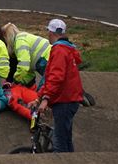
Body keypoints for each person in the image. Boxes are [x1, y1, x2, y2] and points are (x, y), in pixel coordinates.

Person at [32, 19, 83, 153]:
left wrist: (45, 99)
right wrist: (38, 97)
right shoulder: (67, 49)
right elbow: (49, 77)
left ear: (51, 32)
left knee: (59, 143)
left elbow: (56, 77)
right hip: (69, 99)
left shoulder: (59, 50)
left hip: (64, 100)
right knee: (65, 140)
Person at [2, 23, 51, 90]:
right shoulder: (24, 37)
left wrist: (15, 81)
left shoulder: (19, 41)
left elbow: (23, 67)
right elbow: (29, 72)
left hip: (47, 59)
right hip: (49, 57)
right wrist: (21, 82)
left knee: (46, 90)